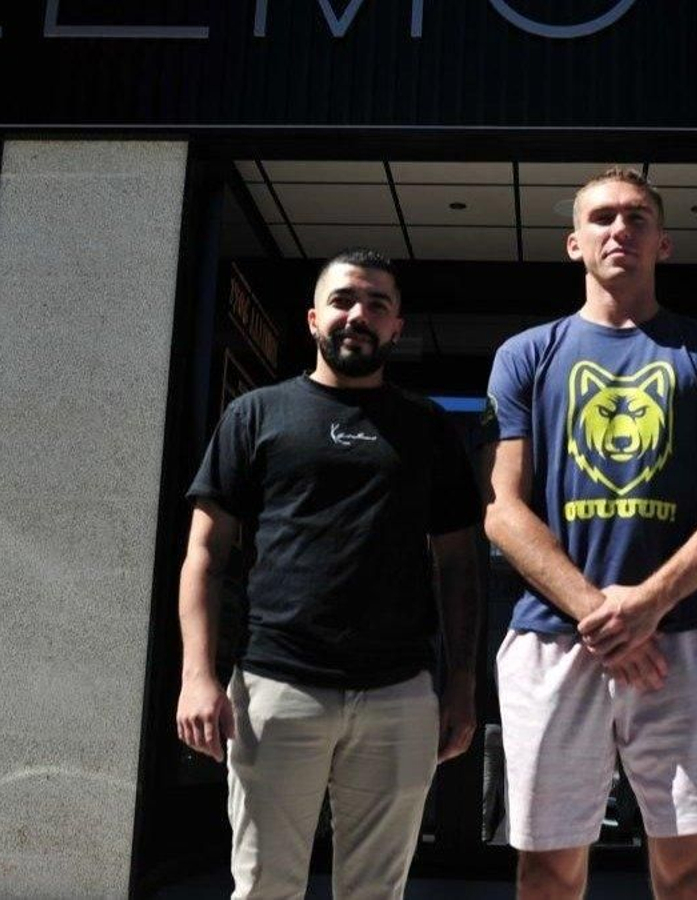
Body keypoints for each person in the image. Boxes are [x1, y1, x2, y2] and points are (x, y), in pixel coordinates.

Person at [480, 167, 697, 899]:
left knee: (691, 867)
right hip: (552, 637)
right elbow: (502, 509)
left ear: (662, 242)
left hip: (684, 635)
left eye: (636, 219)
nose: (620, 231)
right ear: (575, 244)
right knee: (545, 868)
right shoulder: (524, 355)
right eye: (602, 219)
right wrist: (603, 614)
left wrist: (649, 607)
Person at [175, 248, 481, 900]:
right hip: (274, 685)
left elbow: (458, 564)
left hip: (399, 693)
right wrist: (198, 675)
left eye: (377, 304)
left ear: (397, 326)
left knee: (375, 892)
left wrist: (461, 681)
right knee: (264, 888)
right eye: (343, 300)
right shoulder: (255, 415)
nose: (358, 315)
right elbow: (205, 554)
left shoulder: (426, 427)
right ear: (314, 317)